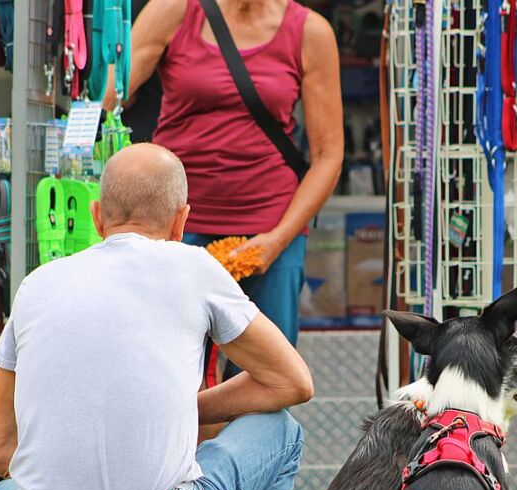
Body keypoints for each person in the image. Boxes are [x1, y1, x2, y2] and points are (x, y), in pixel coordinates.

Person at [0, 144, 313, 490]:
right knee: (282, 432)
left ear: (95, 217)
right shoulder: (194, 267)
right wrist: (186, 414)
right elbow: (293, 382)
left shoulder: (36, 284)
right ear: (183, 220)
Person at [109, 0, 343, 373]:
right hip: (174, 222)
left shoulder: (310, 31)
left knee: (265, 379)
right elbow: (106, 97)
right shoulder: (174, 9)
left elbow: (328, 155)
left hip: (270, 226)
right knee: (163, 366)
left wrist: (278, 239)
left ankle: (236, 434)